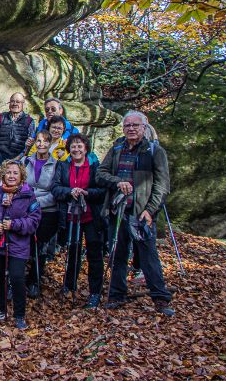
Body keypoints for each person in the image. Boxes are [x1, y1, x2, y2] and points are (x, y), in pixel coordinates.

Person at [97, 111, 174, 316]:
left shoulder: (154, 151)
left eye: (135, 125)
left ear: (144, 127)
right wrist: (117, 182)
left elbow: (162, 186)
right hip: (118, 210)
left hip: (141, 213)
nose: (131, 128)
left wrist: (150, 211)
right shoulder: (117, 148)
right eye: (127, 125)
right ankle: (116, 294)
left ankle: (160, 298)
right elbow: (101, 173)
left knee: (149, 257)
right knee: (118, 254)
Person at [0, 161, 42, 330]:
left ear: (21, 175)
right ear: (3, 175)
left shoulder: (29, 195)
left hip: (18, 245)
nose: (12, 176)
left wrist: (14, 225)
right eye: (8, 173)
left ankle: (19, 314)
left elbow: (34, 220)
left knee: (16, 277)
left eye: (15, 173)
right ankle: (0, 308)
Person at [52, 133, 106, 308]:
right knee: (73, 250)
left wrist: (87, 193)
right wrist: (69, 191)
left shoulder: (95, 167)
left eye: (79, 146)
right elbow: (55, 188)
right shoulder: (63, 166)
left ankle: (95, 292)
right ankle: (69, 285)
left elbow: (102, 191)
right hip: (70, 215)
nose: (76, 149)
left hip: (91, 216)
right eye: (73, 146)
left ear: (85, 148)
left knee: (94, 253)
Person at [22, 131, 60, 298]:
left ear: (50, 143)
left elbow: (56, 190)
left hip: (47, 211)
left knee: (40, 246)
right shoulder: (26, 161)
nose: (41, 144)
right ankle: (18, 279)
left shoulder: (57, 164)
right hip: (27, 210)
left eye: (45, 141)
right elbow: (21, 184)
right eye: (38, 141)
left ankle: (34, 280)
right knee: (23, 243)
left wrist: (37, 202)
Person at [0, 92, 36, 168]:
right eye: (12, 101)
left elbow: (29, 145)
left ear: (23, 104)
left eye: (18, 102)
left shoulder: (29, 121)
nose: (15, 104)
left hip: (18, 155)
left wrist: (18, 157)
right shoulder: (2, 117)